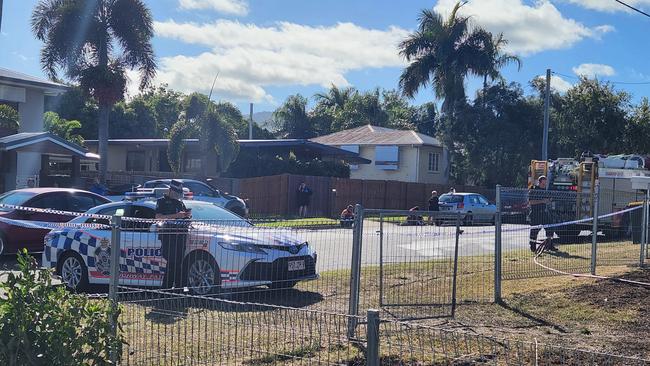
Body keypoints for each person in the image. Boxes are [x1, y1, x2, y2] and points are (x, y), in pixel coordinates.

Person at [155, 180, 192, 289]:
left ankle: (178, 289)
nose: (177, 196)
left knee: (178, 263)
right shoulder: (161, 201)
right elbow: (158, 217)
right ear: (170, 190)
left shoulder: (180, 202)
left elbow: (184, 216)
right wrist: (176, 215)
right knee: (172, 262)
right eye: (176, 193)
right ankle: (167, 289)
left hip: (181, 235)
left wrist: (187, 216)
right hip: (168, 235)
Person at [528, 176, 558, 253]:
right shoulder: (534, 190)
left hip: (544, 213)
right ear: (539, 182)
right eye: (543, 183)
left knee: (550, 228)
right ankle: (533, 247)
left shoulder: (545, 191)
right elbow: (531, 202)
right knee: (534, 231)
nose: (544, 185)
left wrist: (549, 200)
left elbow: (548, 199)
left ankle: (549, 245)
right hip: (535, 213)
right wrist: (542, 201)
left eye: (545, 183)